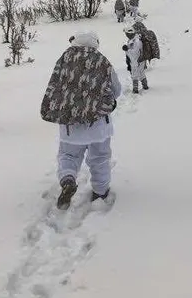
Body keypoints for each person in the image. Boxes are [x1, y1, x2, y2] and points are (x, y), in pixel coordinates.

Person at [41, 31, 122, 209]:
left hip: (70, 125)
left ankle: (68, 179)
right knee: (100, 157)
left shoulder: (64, 59)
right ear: (95, 44)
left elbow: (54, 87)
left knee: (68, 155)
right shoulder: (102, 61)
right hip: (98, 124)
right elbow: (116, 90)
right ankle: (100, 192)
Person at [122, 26, 148, 94]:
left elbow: (135, 53)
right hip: (140, 61)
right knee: (141, 73)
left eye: (127, 34)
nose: (126, 35)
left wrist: (127, 50)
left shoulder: (136, 41)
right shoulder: (134, 40)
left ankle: (135, 89)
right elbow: (132, 48)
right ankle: (145, 86)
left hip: (136, 61)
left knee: (134, 75)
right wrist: (127, 47)